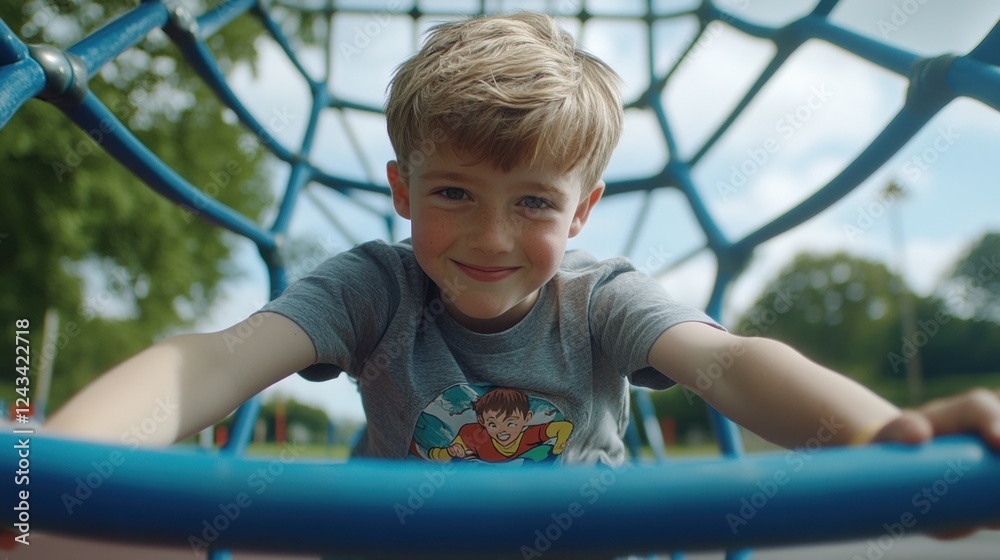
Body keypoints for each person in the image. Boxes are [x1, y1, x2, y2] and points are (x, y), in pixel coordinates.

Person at [48, 8, 998, 499]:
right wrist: (48, 466)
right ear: (402, 192)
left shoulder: (600, 301)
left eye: (532, 203)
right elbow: (216, 358)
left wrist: (885, 439)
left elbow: (730, 364)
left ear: (580, 213)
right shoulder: (373, 288)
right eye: (453, 192)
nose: (491, 237)